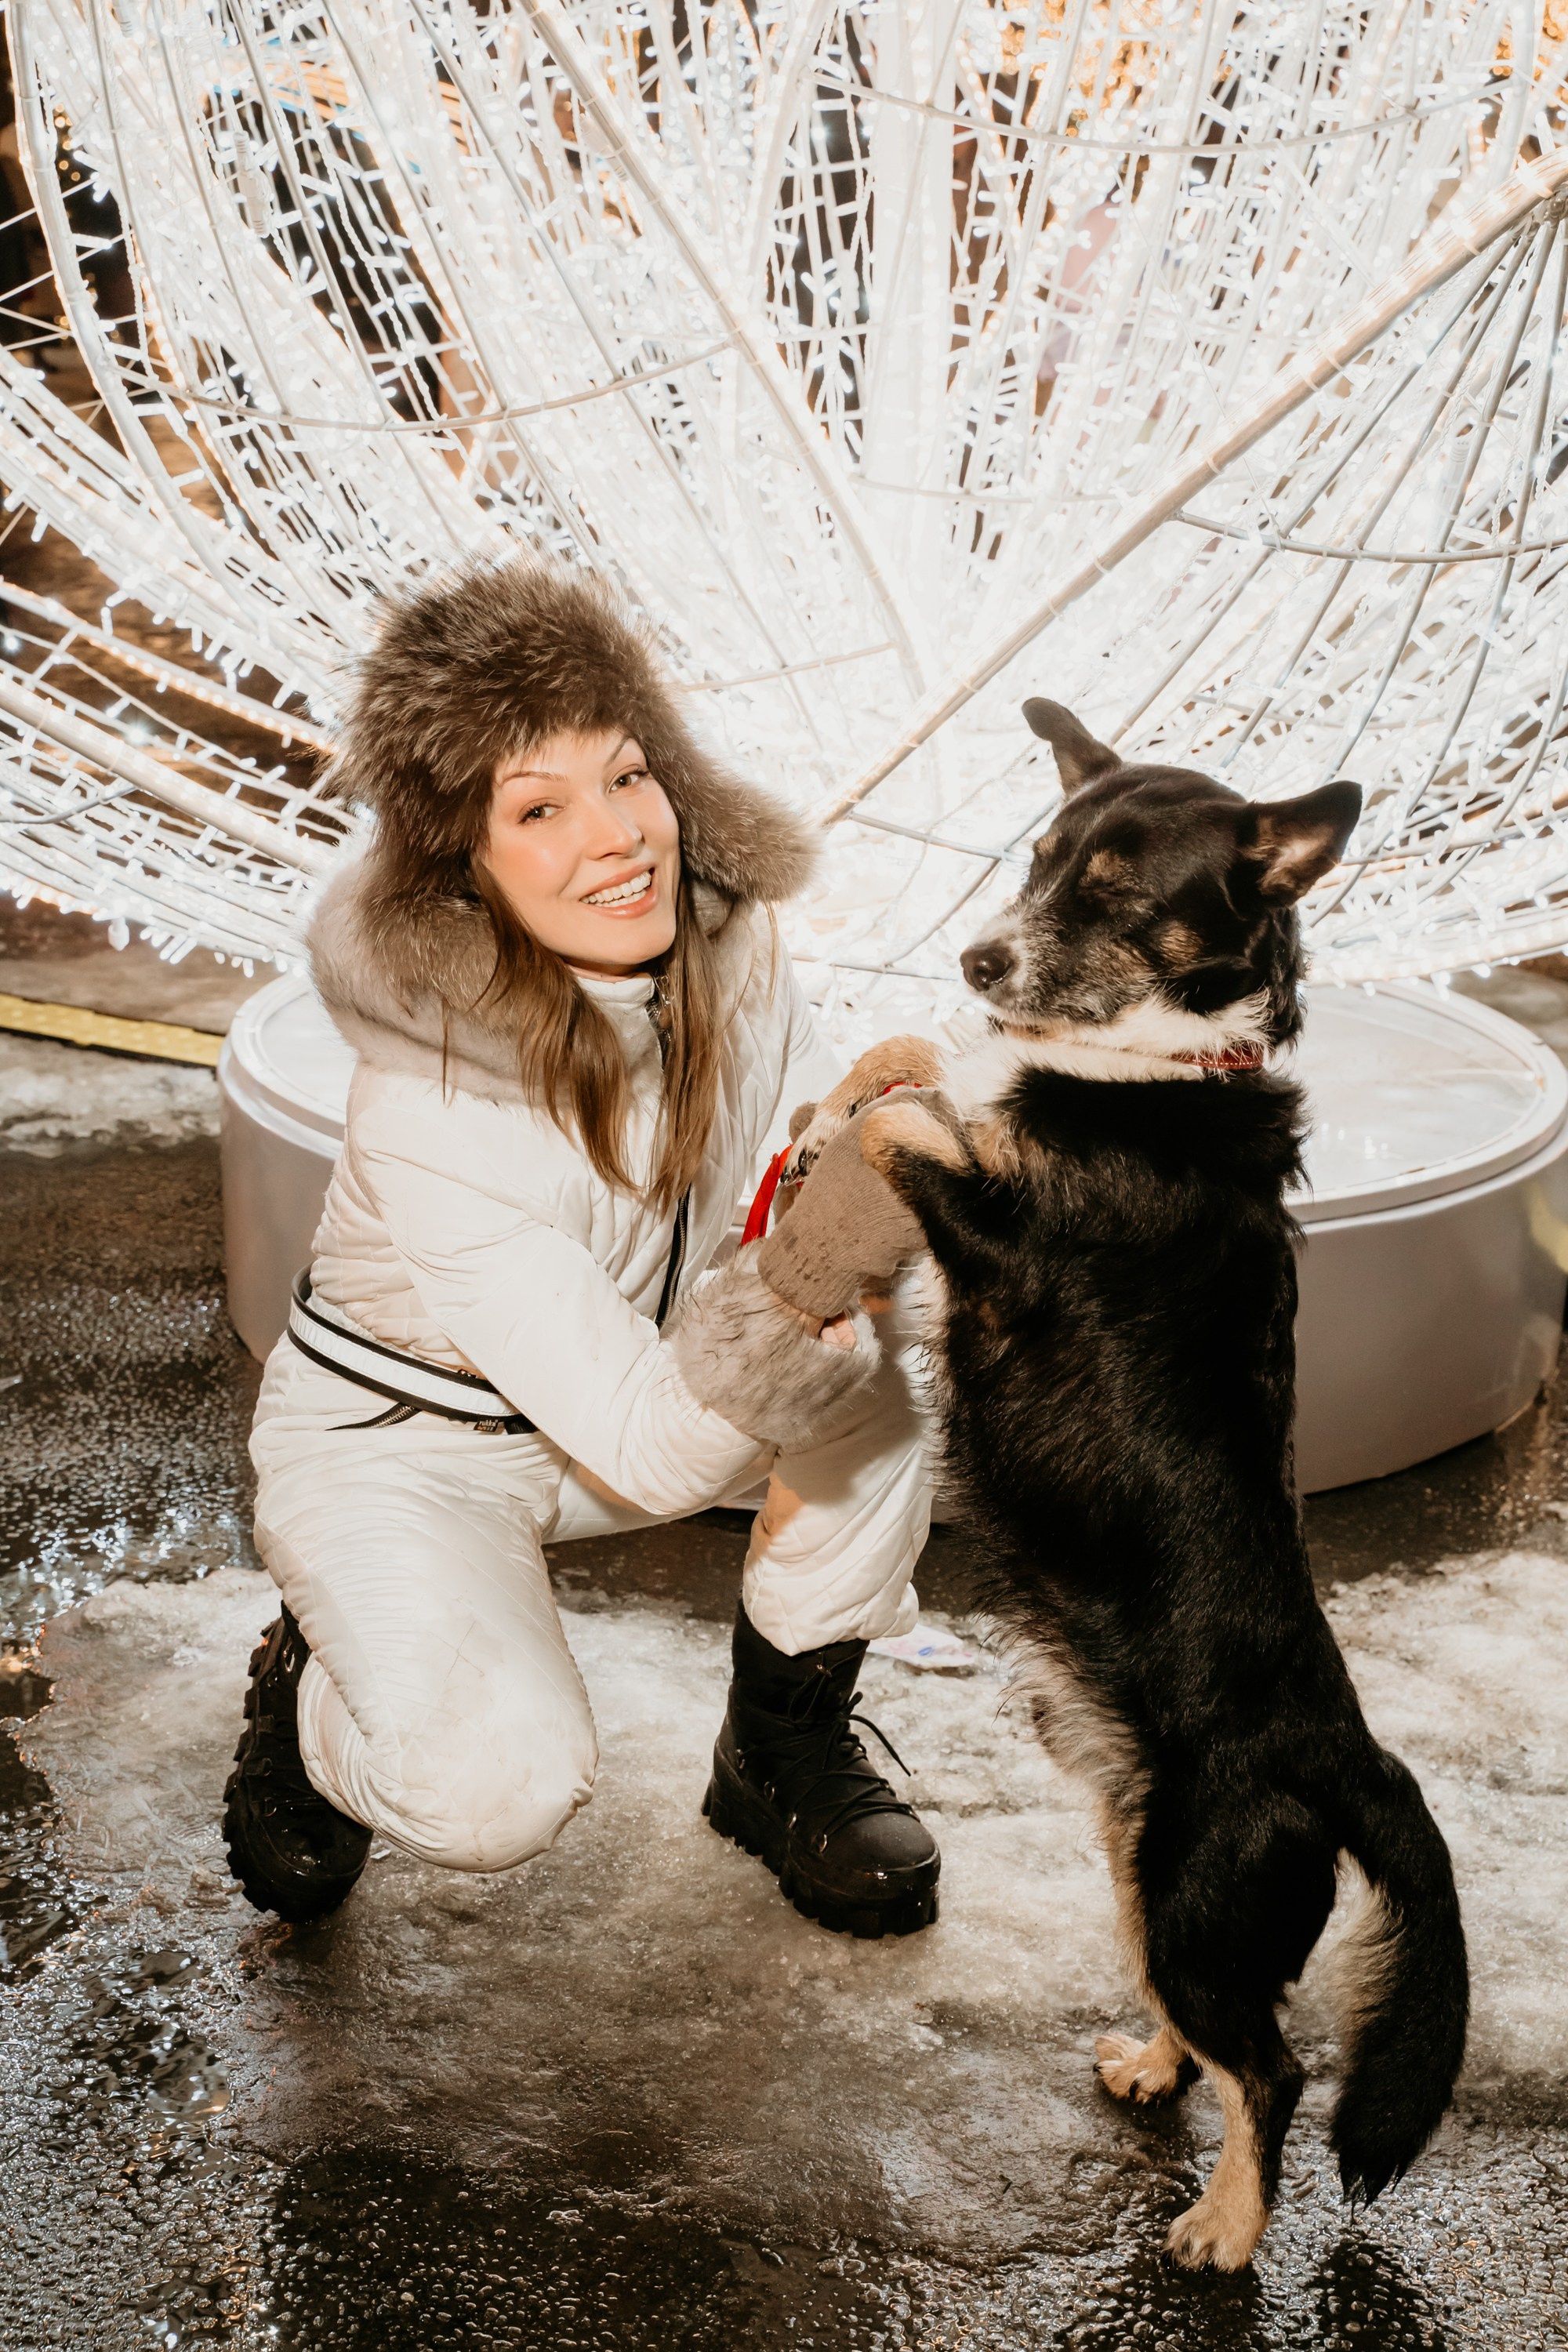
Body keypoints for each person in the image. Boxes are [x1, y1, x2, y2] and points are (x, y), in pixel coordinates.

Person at [223, 557, 941, 1941]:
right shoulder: (436, 1095)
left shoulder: (729, 939)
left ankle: (780, 1751)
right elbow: (654, 1448)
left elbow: (796, 1122)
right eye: (539, 808)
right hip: (409, 1446)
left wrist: (859, 1128)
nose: (616, 837)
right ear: (466, 865)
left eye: (627, 777)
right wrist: (820, 1256)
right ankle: (321, 1686)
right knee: (492, 1795)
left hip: (651, 1380)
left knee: (904, 1341)